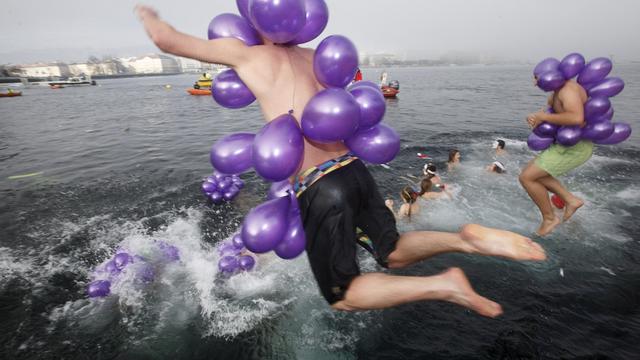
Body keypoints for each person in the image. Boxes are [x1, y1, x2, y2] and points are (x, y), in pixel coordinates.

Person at [137, 5, 546, 316]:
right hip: (353, 169)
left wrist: (147, 14)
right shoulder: (315, 55)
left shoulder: (249, 55)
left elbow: (168, 41)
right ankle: (463, 240)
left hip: (318, 185)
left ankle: (444, 285)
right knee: (394, 250)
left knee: (344, 296)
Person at [520, 76, 593, 236]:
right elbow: (550, 116)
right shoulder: (556, 93)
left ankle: (549, 218)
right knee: (533, 176)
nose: (535, 83)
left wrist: (544, 117)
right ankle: (571, 200)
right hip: (562, 144)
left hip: (574, 146)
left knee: (527, 177)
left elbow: (576, 118)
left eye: (536, 78)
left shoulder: (568, 90)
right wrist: (536, 119)